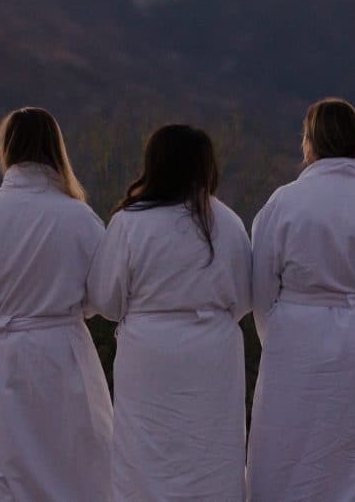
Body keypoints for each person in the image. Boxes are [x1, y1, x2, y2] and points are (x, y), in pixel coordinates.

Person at [245, 98, 355, 501]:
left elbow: (261, 290)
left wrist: (281, 338)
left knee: (286, 452)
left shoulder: (283, 203)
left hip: (296, 341)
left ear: (311, 142)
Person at [88, 124, 253, 502]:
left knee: (146, 452)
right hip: (214, 353)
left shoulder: (130, 222)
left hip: (149, 352)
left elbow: (106, 298)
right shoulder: (226, 223)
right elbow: (244, 297)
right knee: (211, 451)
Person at [0, 107, 113, 502]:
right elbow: (102, 294)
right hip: (64, 353)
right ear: (55, 148)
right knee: (77, 466)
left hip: (3, 355)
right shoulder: (79, 218)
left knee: (8, 473)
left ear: (5, 149)